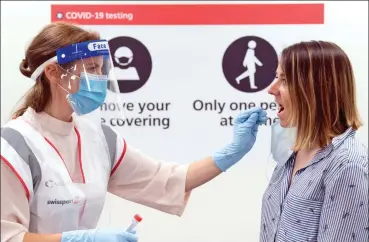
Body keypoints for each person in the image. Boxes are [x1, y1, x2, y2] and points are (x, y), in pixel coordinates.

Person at [0, 22, 267, 242]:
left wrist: (231, 153)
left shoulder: (98, 138)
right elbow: (8, 237)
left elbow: (167, 180)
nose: (100, 78)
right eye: (91, 69)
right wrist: (80, 240)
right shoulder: (14, 146)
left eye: (101, 68)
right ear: (53, 72)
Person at [260, 40, 368, 242]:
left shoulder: (347, 165)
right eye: (276, 77)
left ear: (315, 89)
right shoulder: (291, 152)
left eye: (284, 80)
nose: (271, 89)